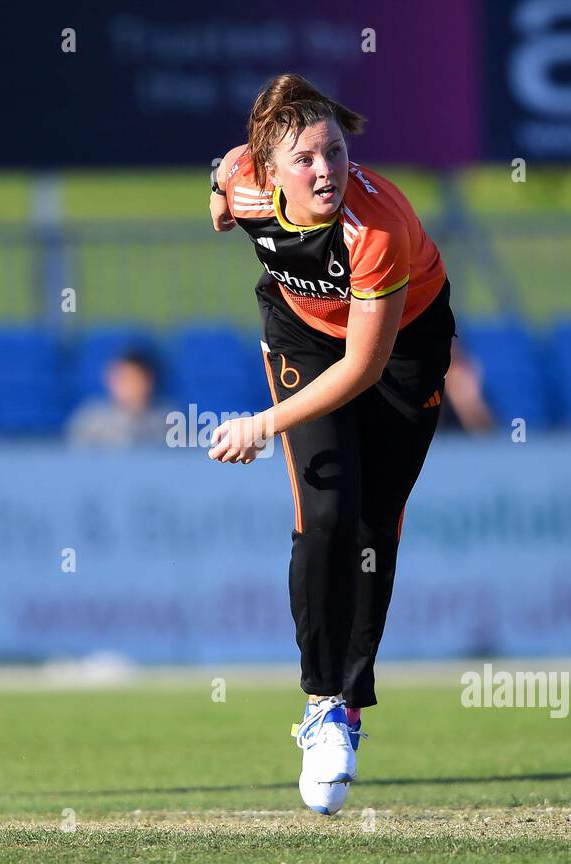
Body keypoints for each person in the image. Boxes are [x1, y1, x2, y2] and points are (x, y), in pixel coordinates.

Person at [206, 74, 456, 815]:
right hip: (300, 336)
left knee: (374, 527)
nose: (326, 171)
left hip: (398, 349)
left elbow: (364, 368)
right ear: (270, 169)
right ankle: (323, 705)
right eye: (307, 159)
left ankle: (351, 703)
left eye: (337, 153)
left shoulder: (377, 228)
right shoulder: (243, 176)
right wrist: (219, 204)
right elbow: (221, 189)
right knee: (325, 515)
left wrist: (261, 424)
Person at [66, 349, 174, 447]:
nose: (122, 386)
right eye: (118, 378)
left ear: (148, 381)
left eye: (131, 379)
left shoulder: (166, 420)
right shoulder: (91, 419)